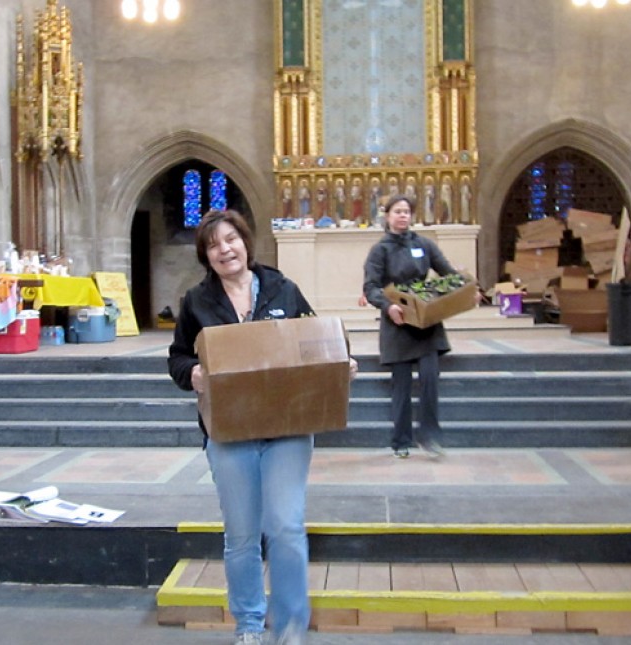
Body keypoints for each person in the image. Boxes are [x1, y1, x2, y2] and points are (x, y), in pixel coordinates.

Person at [167, 209, 356, 645]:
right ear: (206, 256)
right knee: (242, 535)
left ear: (245, 243)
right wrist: (192, 373)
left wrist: (340, 363)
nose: (224, 250)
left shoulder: (282, 289)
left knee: (286, 525)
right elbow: (177, 358)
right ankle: (250, 625)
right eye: (213, 245)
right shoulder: (197, 302)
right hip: (229, 432)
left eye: (230, 239)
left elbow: (316, 340)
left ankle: (291, 625)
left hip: (287, 427)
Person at [362, 195, 457, 459]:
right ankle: (401, 440)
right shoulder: (380, 250)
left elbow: (448, 273)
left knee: (430, 381)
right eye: (398, 211)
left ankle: (430, 436)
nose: (403, 216)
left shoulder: (424, 245)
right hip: (398, 323)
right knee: (401, 387)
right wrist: (388, 307)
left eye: (406, 212)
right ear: (388, 216)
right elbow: (370, 287)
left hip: (426, 323)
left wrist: (467, 289)